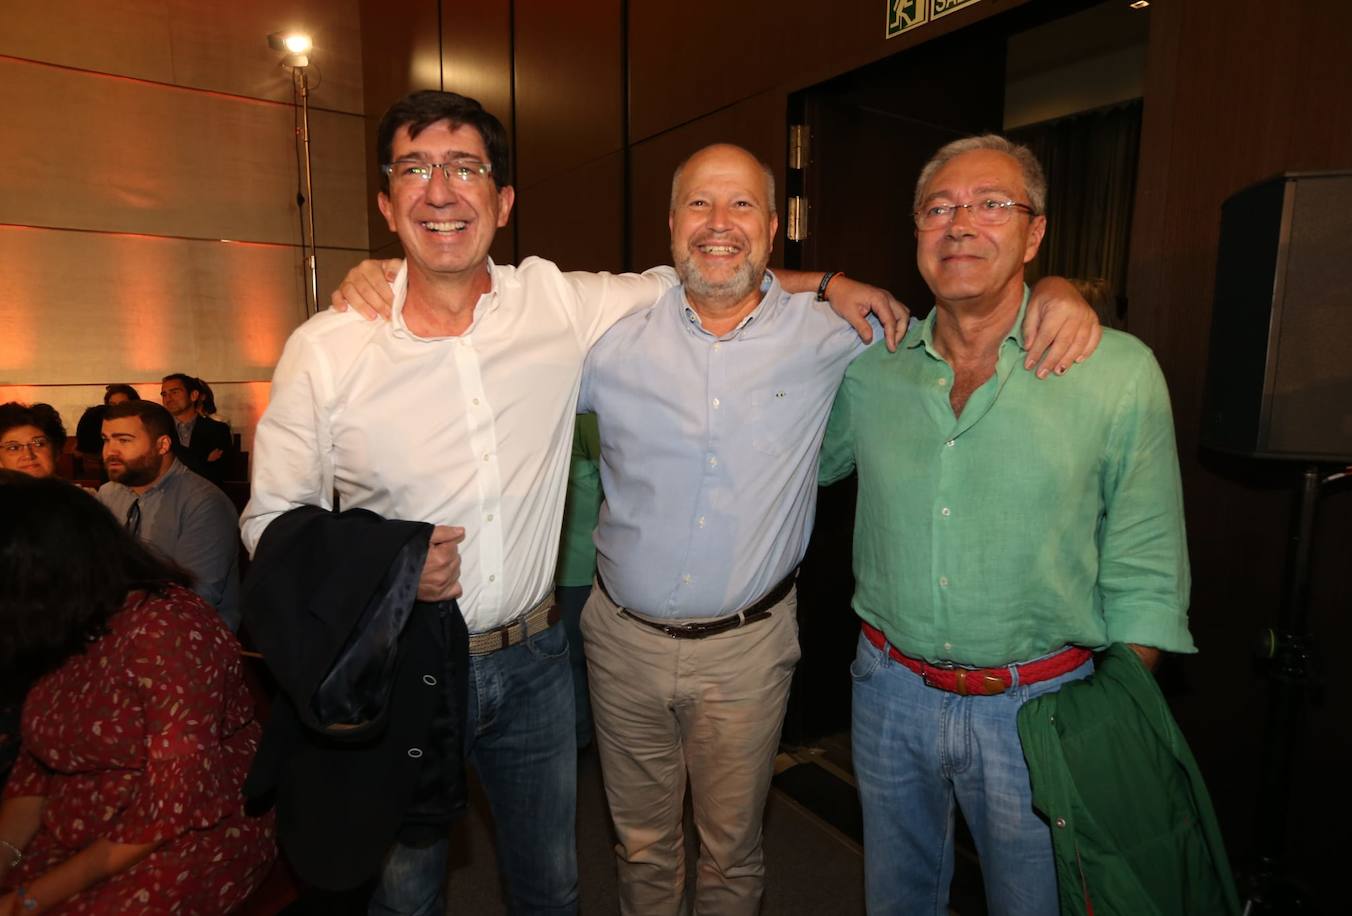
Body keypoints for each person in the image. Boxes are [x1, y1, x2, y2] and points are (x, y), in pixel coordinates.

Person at [247, 89, 909, 916]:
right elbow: (270, 526)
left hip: (536, 663)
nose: (442, 191)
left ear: (504, 200)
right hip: (409, 659)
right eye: (416, 169)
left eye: (465, 169)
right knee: (407, 889)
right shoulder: (328, 348)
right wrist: (384, 574)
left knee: (553, 883)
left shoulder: (560, 304)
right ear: (386, 203)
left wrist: (833, 281)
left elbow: (716, 269)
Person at [575, 143, 1098, 914]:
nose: (719, 223)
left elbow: (964, 324)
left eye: (743, 205)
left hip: (748, 651)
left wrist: (1059, 288)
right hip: (621, 642)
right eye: (699, 205)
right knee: (642, 847)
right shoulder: (605, 335)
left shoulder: (838, 335)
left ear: (777, 226)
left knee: (731, 853)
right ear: (669, 222)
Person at [819, 134, 1195, 915]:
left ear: (1035, 232)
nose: (961, 224)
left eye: (992, 205)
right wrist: (820, 284)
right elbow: (797, 468)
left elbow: (1149, 567)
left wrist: (1109, 721)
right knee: (896, 899)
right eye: (939, 208)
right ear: (917, 233)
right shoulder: (869, 369)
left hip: (1044, 709)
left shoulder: (1118, 371)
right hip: (888, 693)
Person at [0, 471, 274, 914]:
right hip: (76, 822)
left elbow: (173, 803)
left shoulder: (164, 627)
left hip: (185, 833)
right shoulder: (61, 626)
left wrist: (25, 901)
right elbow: (37, 771)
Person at [98, 400, 242, 631]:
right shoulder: (108, 494)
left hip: (189, 637)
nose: (110, 451)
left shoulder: (204, 502)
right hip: (120, 628)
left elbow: (194, 598)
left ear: (163, 445)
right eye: (106, 440)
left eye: (124, 440)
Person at [553, 412, 602, 751]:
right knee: (572, 660)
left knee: (576, 659)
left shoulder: (585, 416)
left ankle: (580, 737)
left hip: (583, 568)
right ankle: (579, 737)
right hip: (564, 570)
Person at [160, 373, 236, 485]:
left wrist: (176, 456)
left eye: (174, 392)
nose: (168, 399)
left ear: (194, 396)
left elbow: (219, 472)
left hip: (206, 495)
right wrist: (203, 460)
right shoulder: (158, 430)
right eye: (164, 394)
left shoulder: (218, 429)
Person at [0, 403, 66, 479]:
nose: (28, 455)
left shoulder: (73, 491)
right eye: (14, 448)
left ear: (57, 451)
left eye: (38, 444)